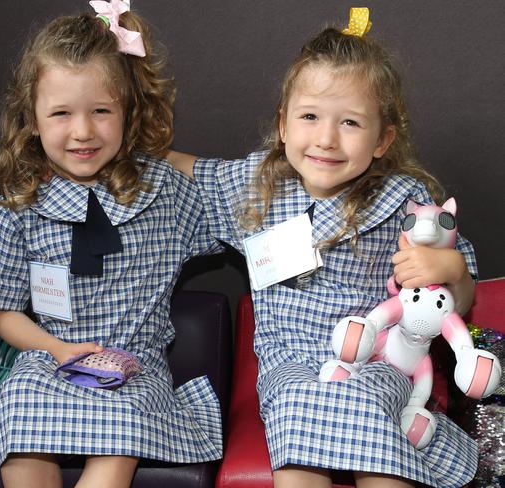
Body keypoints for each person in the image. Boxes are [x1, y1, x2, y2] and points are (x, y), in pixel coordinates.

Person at [168, 8, 478, 488]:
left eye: (351, 123)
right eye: (310, 116)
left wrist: (451, 268)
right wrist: (116, 147)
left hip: (373, 365)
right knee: (297, 442)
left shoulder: (401, 198)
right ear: (285, 124)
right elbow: (189, 168)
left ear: (383, 139)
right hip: (290, 367)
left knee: (380, 439)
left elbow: (453, 303)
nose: (327, 139)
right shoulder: (259, 185)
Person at [0, 2, 222, 487]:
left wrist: (159, 152)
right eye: (61, 113)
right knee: (22, 424)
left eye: (101, 111)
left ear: (127, 111)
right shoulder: (21, 203)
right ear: (32, 119)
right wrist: (57, 349)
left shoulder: (163, 191)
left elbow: (234, 192)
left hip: (133, 367)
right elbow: (3, 313)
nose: (83, 131)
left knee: (119, 438)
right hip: (49, 359)